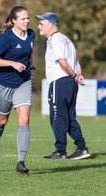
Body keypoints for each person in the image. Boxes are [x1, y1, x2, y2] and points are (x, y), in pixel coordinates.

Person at [0, 6, 36, 173]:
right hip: (3, 85)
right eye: (23, 19)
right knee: (2, 121)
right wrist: (12, 64)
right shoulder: (6, 38)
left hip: (23, 82)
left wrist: (31, 68)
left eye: (28, 18)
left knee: (24, 120)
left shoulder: (31, 34)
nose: (27, 21)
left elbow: (28, 53)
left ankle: (21, 162)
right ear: (14, 21)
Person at [36, 12, 91, 160]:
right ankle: (82, 148)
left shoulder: (55, 40)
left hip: (60, 82)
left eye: (42, 23)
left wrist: (73, 75)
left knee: (57, 117)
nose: (38, 25)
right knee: (69, 118)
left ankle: (60, 151)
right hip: (70, 83)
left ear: (52, 25)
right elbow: (75, 61)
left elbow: (63, 62)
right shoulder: (66, 39)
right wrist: (77, 75)